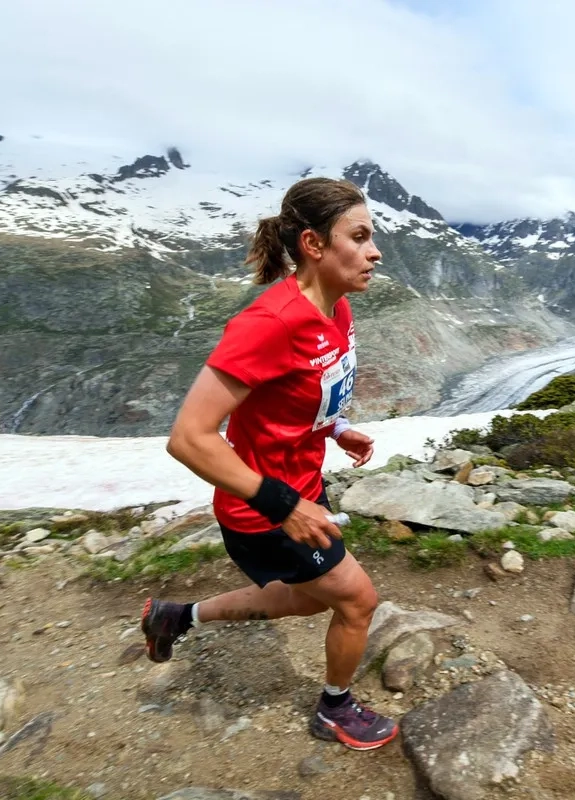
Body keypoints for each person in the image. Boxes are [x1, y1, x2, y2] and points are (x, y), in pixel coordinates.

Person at [140, 176, 398, 751]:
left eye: (371, 236)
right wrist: (283, 506)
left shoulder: (337, 308)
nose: (375, 251)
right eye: (359, 237)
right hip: (264, 508)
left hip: (302, 491)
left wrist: (335, 429)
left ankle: (176, 618)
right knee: (358, 601)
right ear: (313, 244)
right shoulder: (270, 323)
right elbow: (188, 437)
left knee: (311, 598)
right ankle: (334, 710)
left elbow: (302, 391)